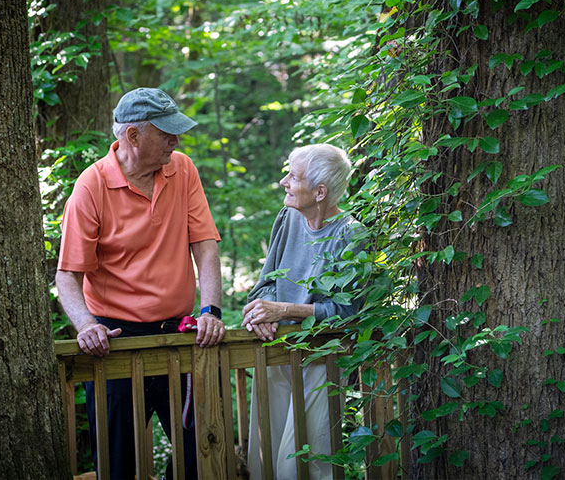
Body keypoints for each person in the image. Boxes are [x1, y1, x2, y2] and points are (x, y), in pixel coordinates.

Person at [55, 87, 226, 480]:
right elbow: (67, 275)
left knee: (201, 454)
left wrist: (210, 311)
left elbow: (205, 246)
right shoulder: (91, 186)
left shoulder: (183, 169)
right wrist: (86, 325)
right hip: (116, 345)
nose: (176, 141)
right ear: (133, 136)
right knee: (117, 464)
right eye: (166, 133)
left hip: (178, 337)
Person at [241, 144, 363, 480]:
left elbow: (348, 310)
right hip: (277, 354)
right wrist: (260, 315)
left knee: (304, 464)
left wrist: (283, 310)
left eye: (293, 177)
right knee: (265, 459)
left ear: (320, 191)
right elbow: (264, 284)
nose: (284, 182)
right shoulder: (288, 218)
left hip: (321, 362)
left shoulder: (351, 235)